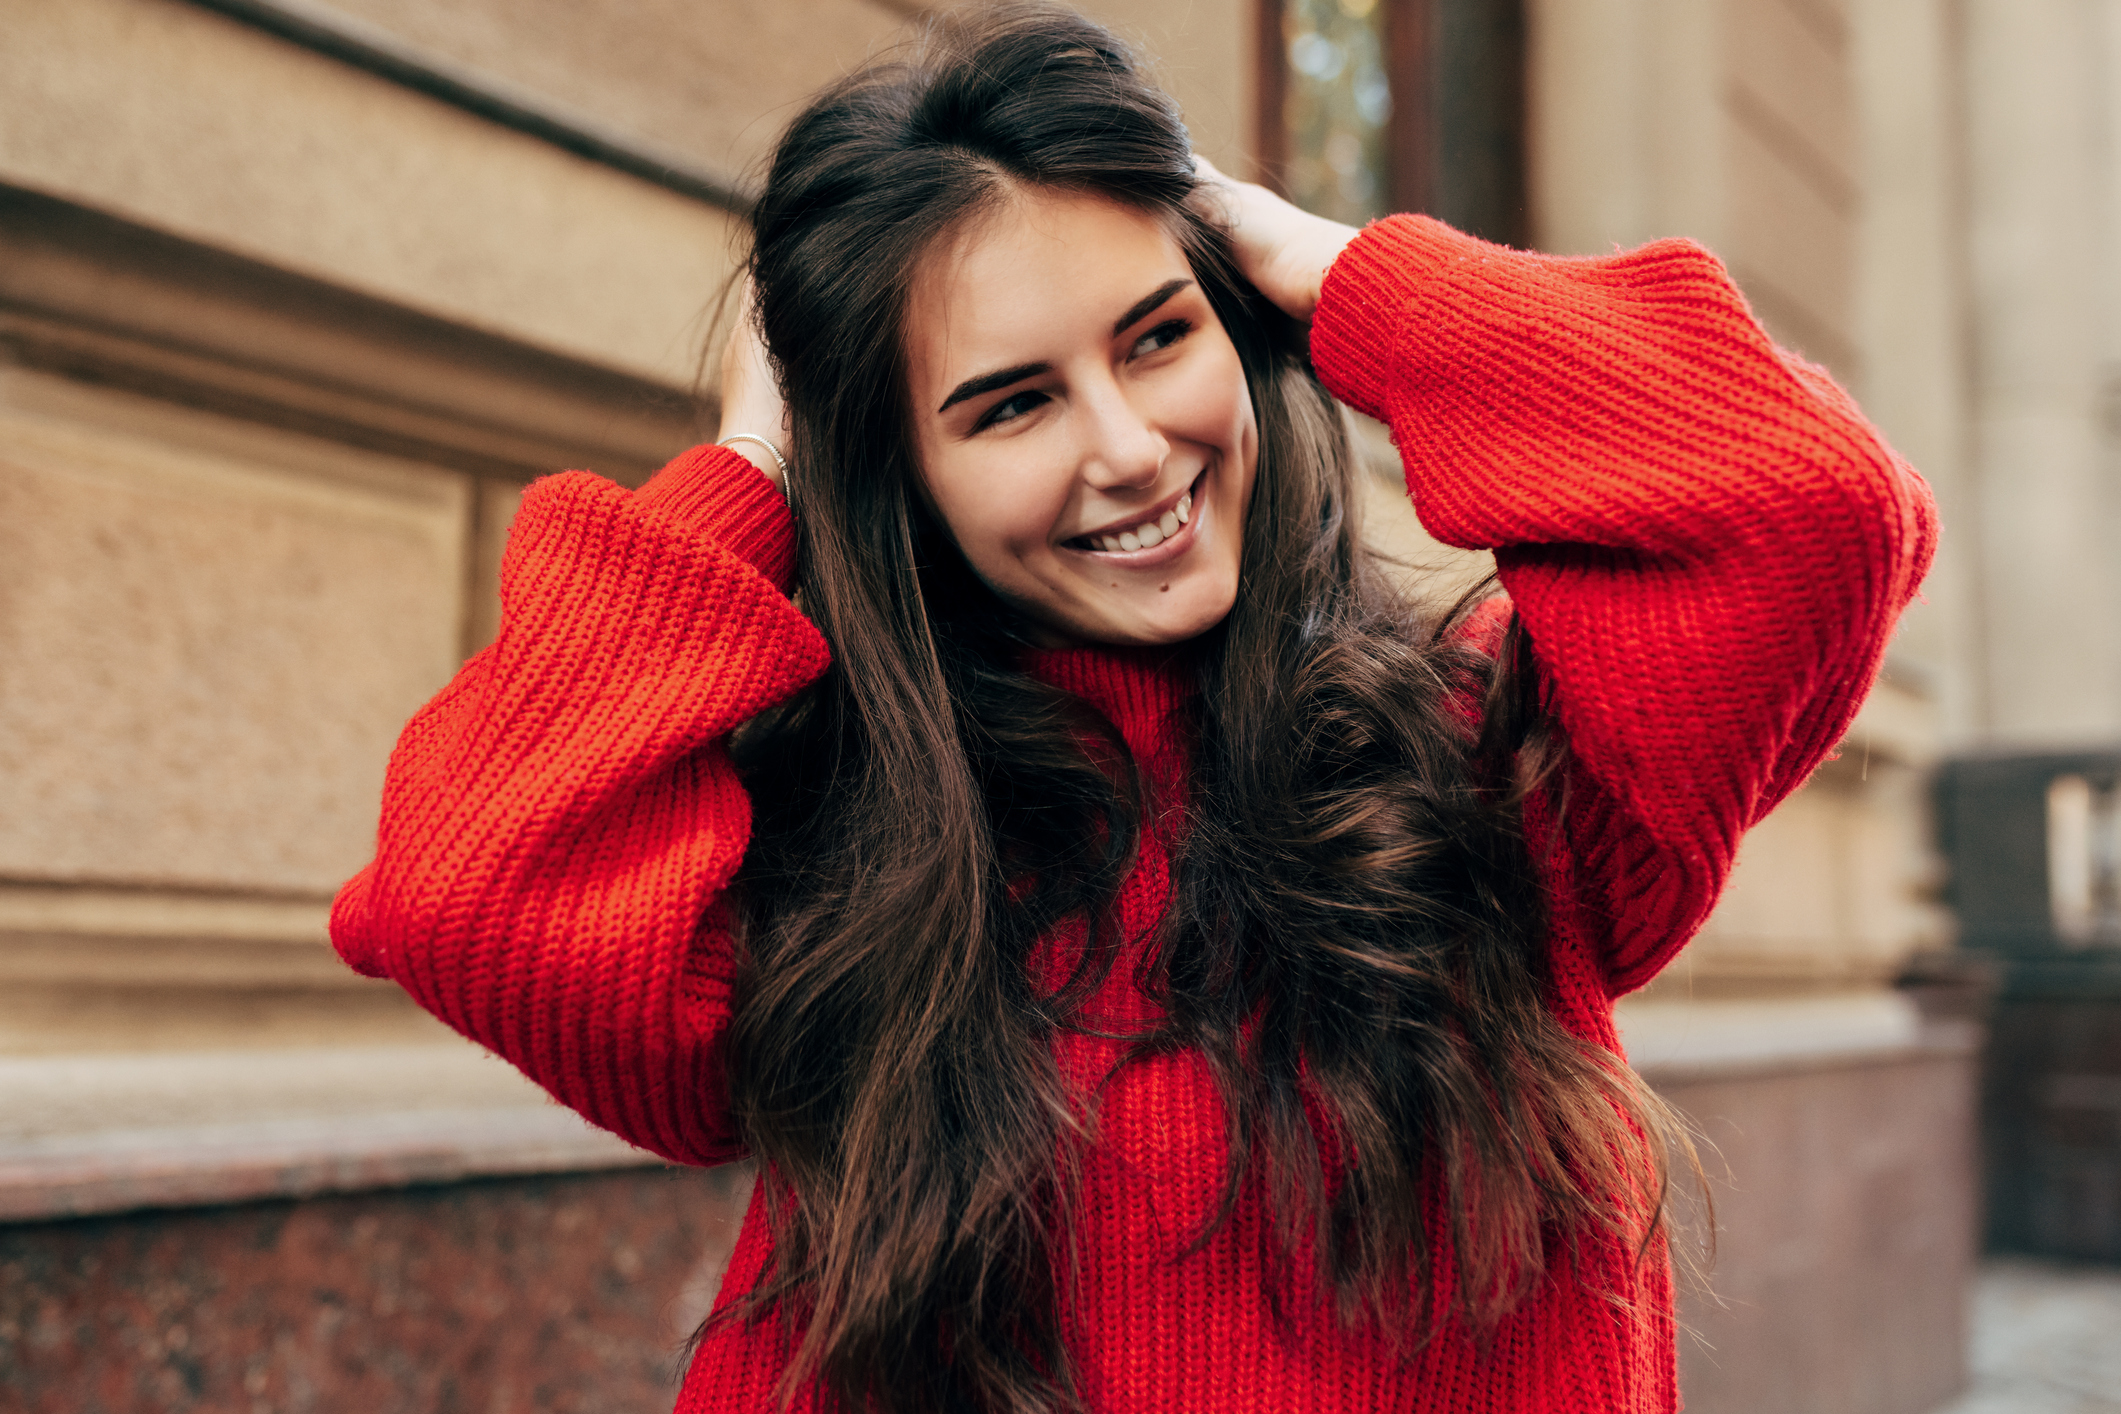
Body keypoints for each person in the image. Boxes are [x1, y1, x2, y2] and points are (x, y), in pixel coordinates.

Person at [328, 6, 1937, 1412]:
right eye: (1011, 402)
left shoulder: (1491, 765)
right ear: (901, 480)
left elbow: (1805, 503)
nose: (1127, 447)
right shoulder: (825, 840)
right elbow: (474, 889)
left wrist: (1330, 265)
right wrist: (752, 468)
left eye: (1157, 337)